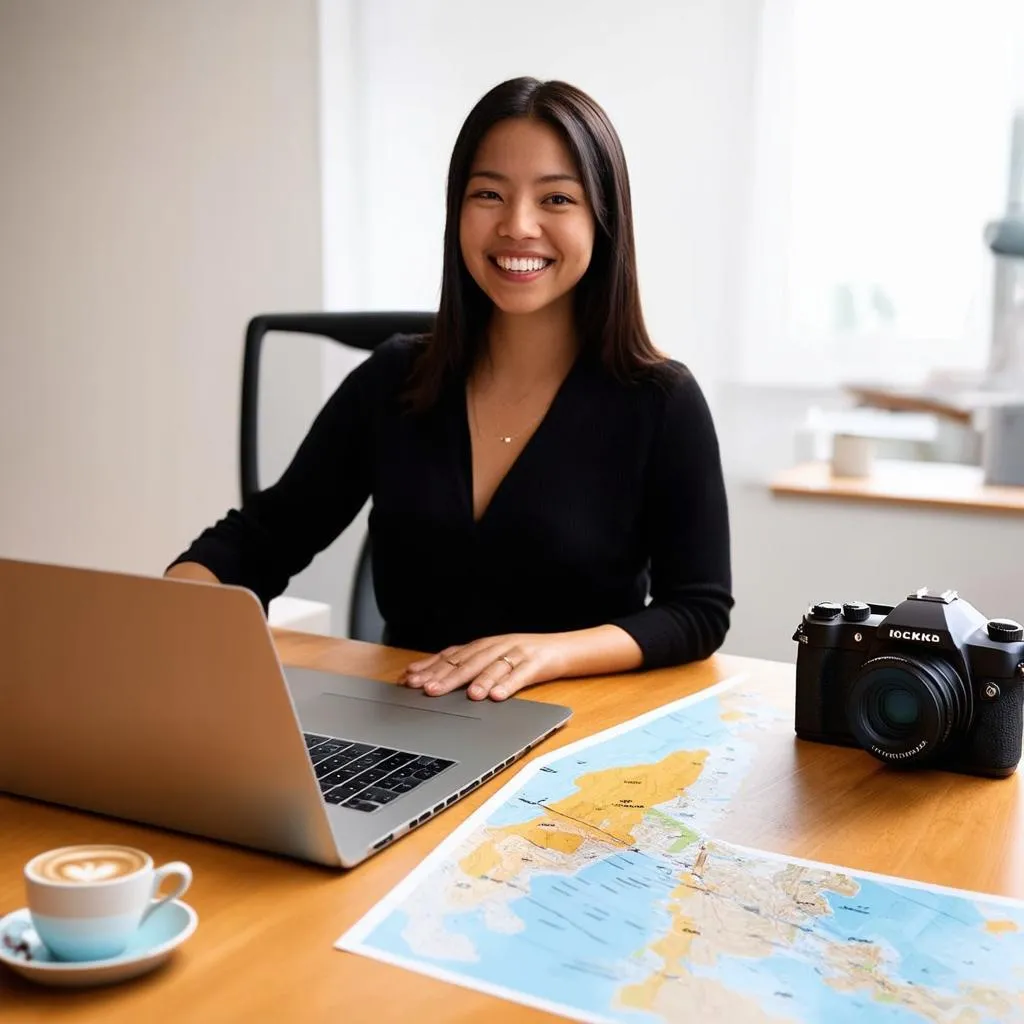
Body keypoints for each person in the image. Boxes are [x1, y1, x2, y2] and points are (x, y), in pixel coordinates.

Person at [166, 76, 732, 702]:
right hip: (406, 722)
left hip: (577, 730)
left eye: (557, 200)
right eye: (488, 193)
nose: (517, 226)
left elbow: (697, 609)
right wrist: (173, 607)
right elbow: (265, 538)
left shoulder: (660, 400)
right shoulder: (395, 379)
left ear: (604, 219)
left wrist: (550, 651)